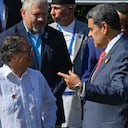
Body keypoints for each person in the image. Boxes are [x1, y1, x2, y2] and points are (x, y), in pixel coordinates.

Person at [0, 0, 72, 127]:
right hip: (15, 113)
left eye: (44, 14)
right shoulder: (7, 37)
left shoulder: (56, 37)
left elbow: (65, 69)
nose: (41, 19)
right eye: (37, 14)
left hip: (52, 110)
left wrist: (47, 93)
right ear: (23, 13)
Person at [58, 4, 128, 128]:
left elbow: (120, 93)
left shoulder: (123, 52)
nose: (89, 35)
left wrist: (82, 87)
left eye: (91, 29)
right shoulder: (112, 51)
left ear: (104, 27)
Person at [49, 0, 103, 127]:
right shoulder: (48, 31)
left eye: (56, 8)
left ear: (70, 8)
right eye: (51, 8)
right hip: (54, 91)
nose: (52, 13)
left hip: (78, 93)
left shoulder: (86, 30)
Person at [0, 35, 57, 128]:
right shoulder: (1, 80)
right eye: (27, 51)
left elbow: (50, 105)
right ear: (11, 56)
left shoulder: (37, 77)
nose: (31, 54)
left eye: (30, 49)